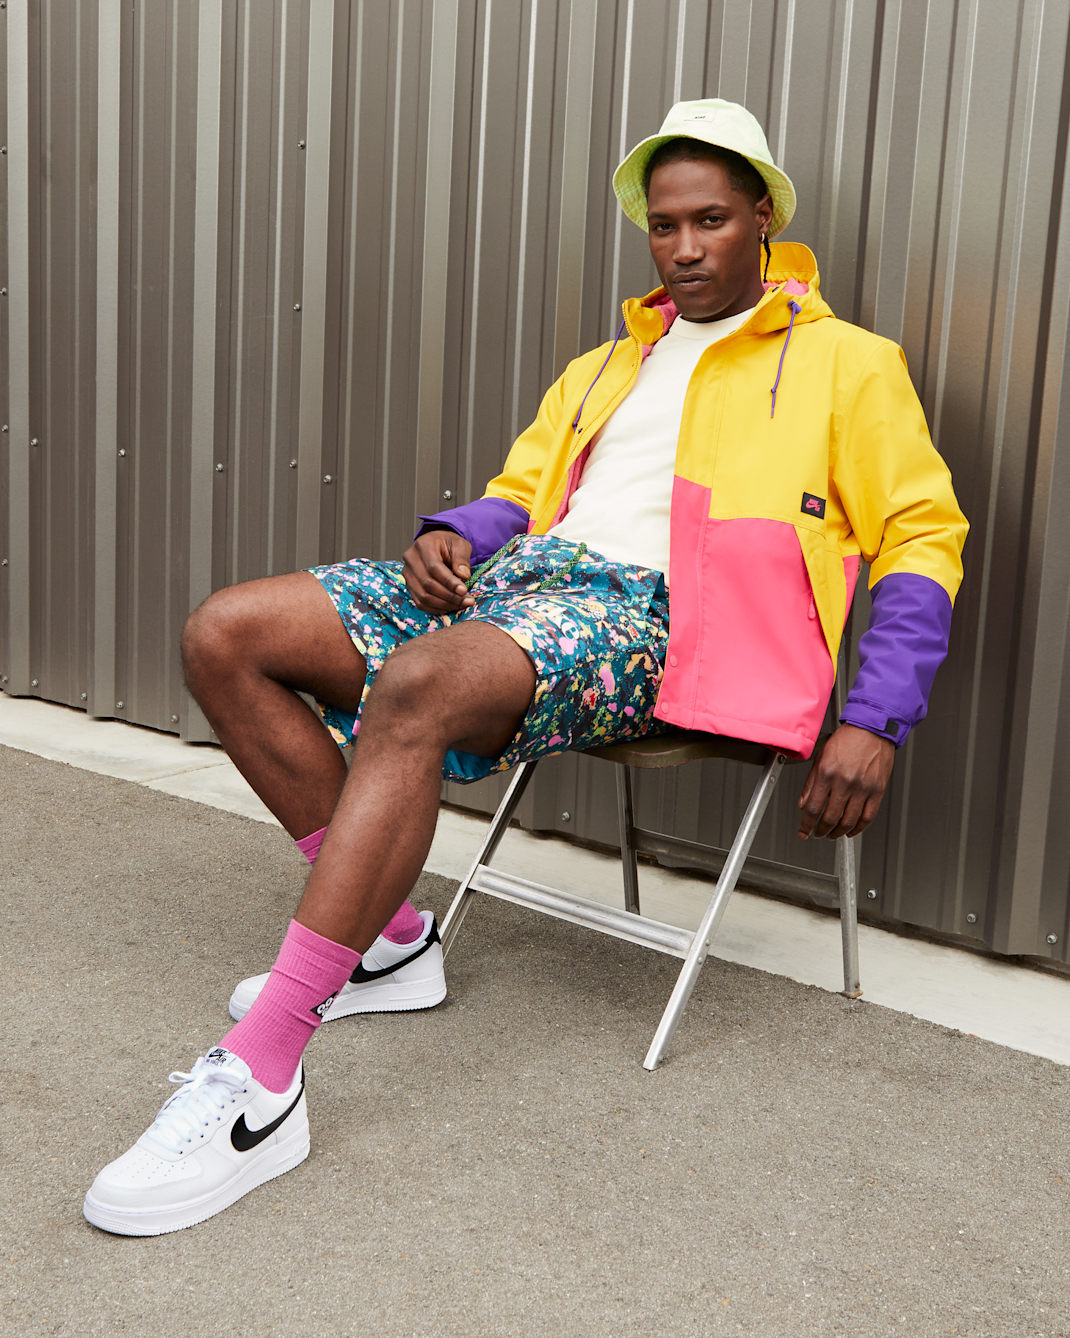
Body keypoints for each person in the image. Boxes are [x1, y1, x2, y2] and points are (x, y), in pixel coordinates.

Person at [83, 98, 967, 1235]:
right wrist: (453, 535)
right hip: (526, 587)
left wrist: (877, 716)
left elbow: (919, 536)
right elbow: (520, 492)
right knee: (228, 632)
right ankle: (388, 947)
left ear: (762, 218)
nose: (684, 247)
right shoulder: (607, 364)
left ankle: (260, 1079)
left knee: (418, 685)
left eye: (709, 219)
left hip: (664, 622)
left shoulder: (848, 364)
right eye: (663, 225)